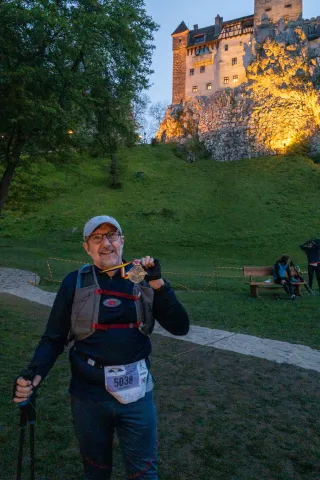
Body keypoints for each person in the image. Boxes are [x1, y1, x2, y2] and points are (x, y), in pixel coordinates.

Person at [13, 215, 190, 480]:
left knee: (144, 473)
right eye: (97, 238)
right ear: (87, 247)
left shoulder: (138, 275)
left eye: (112, 235)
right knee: (95, 472)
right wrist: (34, 373)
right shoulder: (75, 281)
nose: (105, 243)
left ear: (122, 241)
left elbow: (180, 327)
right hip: (88, 396)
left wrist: (158, 282)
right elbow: (54, 338)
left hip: (137, 394)